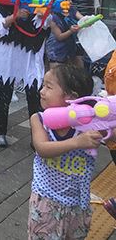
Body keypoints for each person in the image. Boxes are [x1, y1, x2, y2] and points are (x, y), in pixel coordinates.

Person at [28, 65, 99, 240]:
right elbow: (42, 148)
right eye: (43, 85)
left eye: (48, 87)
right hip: (45, 202)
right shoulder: (39, 119)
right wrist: (76, 142)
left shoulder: (88, 123)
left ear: (71, 97)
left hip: (77, 204)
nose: (41, 91)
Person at [0, 0, 49, 147]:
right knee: (4, 93)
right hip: (9, 55)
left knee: (34, 96)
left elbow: (45, 25)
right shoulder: (2, 0)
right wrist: (13, 17)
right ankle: (0, 131)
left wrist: (41, 14)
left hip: (30, 54)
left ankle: (37, 137)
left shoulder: (37, 1)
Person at [46, 1, 84, 69]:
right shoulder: (53, 17)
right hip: (56, 49)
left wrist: (88, 21)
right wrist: (71, 31)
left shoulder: (72, 10)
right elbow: (59, 37)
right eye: (66, 0)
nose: (70, 2)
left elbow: (82, 18)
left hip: (70, 46)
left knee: (74, 71)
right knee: (56, 73)